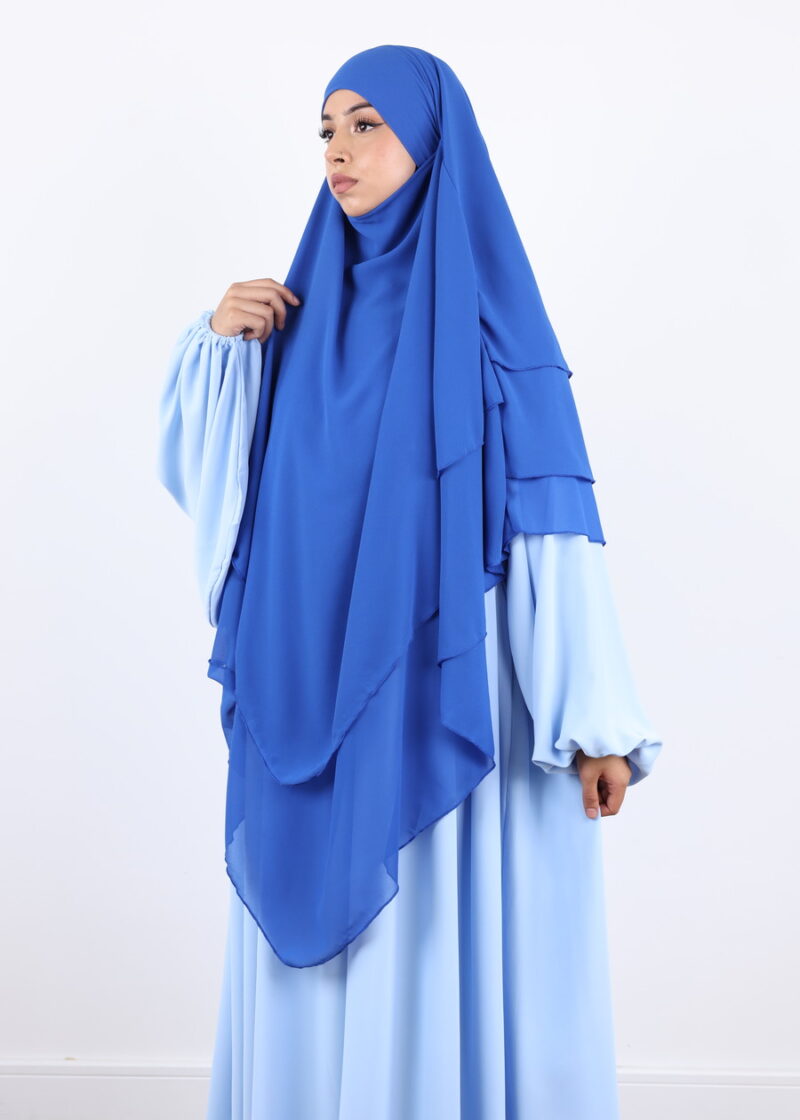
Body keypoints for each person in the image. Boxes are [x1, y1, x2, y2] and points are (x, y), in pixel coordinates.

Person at [157, 44, 662, 1120]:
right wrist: (216, 347)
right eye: (325, 130)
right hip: (310, 683)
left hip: (442, 689)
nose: (338, 151)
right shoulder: (291, 327)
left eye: (366, 124)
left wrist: (596, 721)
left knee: (432, 935)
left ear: (432, 139)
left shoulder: (496, 334)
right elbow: (221, 495)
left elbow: (553, 524)